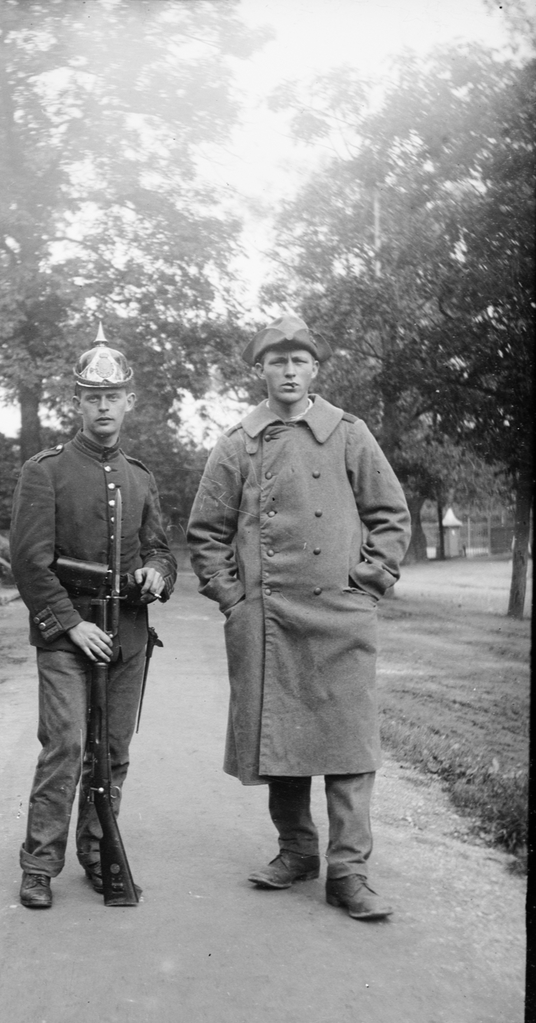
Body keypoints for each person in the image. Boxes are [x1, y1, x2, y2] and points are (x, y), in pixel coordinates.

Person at [187, 314, 410, 920]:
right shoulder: (237, 443)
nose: (288, 371)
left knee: (348, 744)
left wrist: (366, 585)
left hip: (341, 613)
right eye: (276, 362)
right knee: (279, 738)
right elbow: (205, 532)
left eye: (298, 361)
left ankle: (349, 873)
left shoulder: (349, 434)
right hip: (268, 619)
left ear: (314, 369)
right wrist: (233, 598)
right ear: (259, 371)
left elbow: (390, 515)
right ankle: (296, 851)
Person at [10, 324, 177, 909]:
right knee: (64, 747)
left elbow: (161, 550)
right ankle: (39, 865)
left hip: (127, 635)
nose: (103, 407)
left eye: (113, 397)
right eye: (92, 397)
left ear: (130, 401)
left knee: (115, 753)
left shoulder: (140, 476)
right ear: (77, 403)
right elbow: (29, 563)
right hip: (66, 637)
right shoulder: (45, 471)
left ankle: (100, 855)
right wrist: (71, 624)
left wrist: (156, 573)